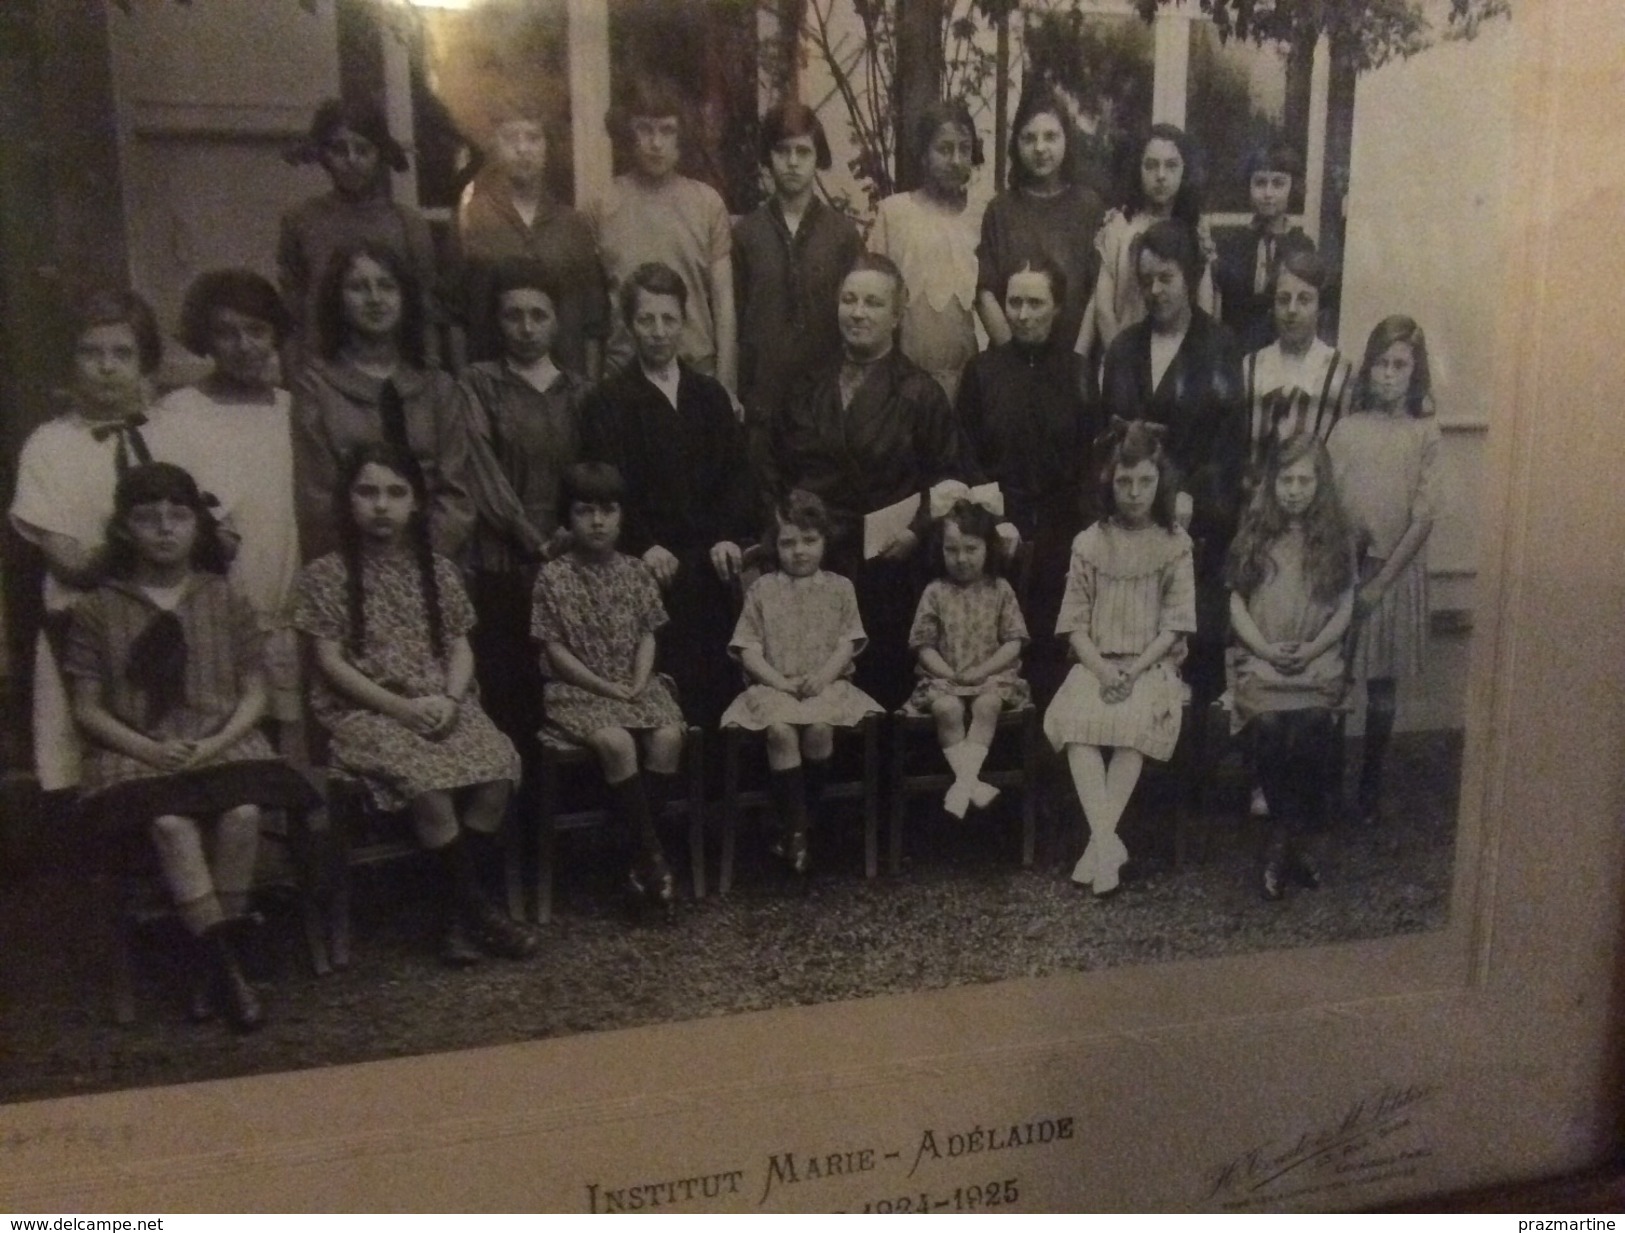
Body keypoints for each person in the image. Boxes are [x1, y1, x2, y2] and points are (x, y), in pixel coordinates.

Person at [65, 463, 318, 1030]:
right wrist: (149, 750)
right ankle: (228, 968)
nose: (164, 529)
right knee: (172, 823)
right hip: (134, 750)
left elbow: (255, 693)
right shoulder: (95, 609)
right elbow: (86, 709)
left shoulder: (225, 598)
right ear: (124, 529)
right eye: (147, 518)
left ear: (198, 528)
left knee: (244, 811)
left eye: (178, 516)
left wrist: (216, 742)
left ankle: (211, 966)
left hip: (222, 740)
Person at [292, 443, 534, 966]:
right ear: (348, 501)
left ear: (416, 504)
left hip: (441, 702)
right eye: (368, 492)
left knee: (498, 766)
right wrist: (399, 709)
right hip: (368, 712)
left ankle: (455, 917)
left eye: (396, 493)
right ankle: (476, 911)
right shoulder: (325, 577)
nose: (382, 505)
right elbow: (330, 663)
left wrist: (449, 697)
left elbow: (460, 646)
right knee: (429, 785)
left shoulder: (439, 572)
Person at [768, 254, 965, 707]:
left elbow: (948, 479)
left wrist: (916, 533)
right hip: (810, 565)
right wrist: (786, 532)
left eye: (873, 303)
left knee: (879, 688)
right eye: (849, 300)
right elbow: (772, 467)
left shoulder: (920, 392)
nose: (858, 313)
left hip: (886, 573)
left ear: (897, 315)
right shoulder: (805, 385)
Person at [578, 262, 755, 727]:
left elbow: (737, 476)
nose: (658, 332)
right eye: (646, 320)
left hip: (707, 563)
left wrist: (728, 536)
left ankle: (715, 791)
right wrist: (644, 543)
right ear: (629, 324)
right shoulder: (607, 403)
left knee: (717, 686)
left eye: (669, 319)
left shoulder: (710, 396)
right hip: (642, 569)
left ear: (684, 321)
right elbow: (606, 490)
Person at [10, 288, 165, 793]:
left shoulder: (172, 434)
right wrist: (139, 544)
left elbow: (209, 537)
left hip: (165, 619)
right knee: (93, 759)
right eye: (90, 353)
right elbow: (69, 563)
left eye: (122, 354)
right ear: (68, 363)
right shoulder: (48, 447)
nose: (106, 367)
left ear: (144, 362)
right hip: (82, 626)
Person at [1100, 219, 1246, 736]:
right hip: (1133, 521)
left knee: (1192, 648)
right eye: (1145, 280)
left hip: (1194, 525)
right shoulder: (1122, 349)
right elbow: (1108, 438)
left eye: (1166, 278)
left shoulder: (1220, 346)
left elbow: (1231, 443)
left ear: (1191, 276)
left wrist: (1190, 495)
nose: (1154, 290)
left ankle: (1193, 773)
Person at [529, 462, 690, 920]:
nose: (597, 521)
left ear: (622, 516)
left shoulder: (637, 572)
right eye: (584, 511)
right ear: (568, 517)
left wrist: (639, 682)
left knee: (668, 735)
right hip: (578, 688)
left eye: (607, 510)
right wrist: (603, 687)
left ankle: (639, 859)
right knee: (617, 741)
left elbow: (647, 635)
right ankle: (654, 861)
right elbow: (554, 650)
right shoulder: (553, 577)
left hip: (633, 684)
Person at [1044, 420, 1195, 898]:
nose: (1134, 493)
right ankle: (1109, 842)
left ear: (1160, 482)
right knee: (1077, 725)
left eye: (1145, 482)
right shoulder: (1090, 542)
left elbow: (1175, 624)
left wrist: (1133, 669)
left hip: (1151, 664)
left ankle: (1099, 845)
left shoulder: (1174, 544)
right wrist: (1105, 669)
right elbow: (1073, 624)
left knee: (1134, 726)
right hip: (1096, 662)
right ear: (1109, 481)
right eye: (1125, 481)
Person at [146, 270, 302, 726]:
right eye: (226, 333)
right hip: (215, 603)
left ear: (275, 334)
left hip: (287, 599)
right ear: (205, 339)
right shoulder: (179, 414)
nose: (244, 345)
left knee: (289, 735)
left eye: (256, 330)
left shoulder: (291, 410)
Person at [956, 256, 1099, 701]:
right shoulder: (982, 372)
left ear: (1057, 308)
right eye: (1014, 302)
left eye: (1036, 303)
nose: (1023, 314)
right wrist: (995, 520)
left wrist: (1071, 532)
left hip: (1064, 533)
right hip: (998, 532)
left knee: (1055, 649)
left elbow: (1090, 461)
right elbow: (965, 455)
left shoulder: (1078, 372)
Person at [457, 260, 587, 747]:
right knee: (510, 694)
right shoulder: (478, 384)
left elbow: (590, 470)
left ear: (556, 321)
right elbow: (479, 466)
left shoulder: (579, 391)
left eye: (539, 314)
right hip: (502, 564)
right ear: (497, 321)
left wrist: (570, 532)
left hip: (570, 564)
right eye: (514, 315)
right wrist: (529, 536)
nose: (527, 327)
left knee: (568, 692)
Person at [719, 490, 881, 873]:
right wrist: (779, 681)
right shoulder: (762, 589)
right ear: (775, 546)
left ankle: (799, 823)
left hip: (825, 686)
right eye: (788, 543)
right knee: (780, 731)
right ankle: (796, 832)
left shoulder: (840, 588)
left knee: (820, 730)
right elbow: (748, 649)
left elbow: (848, 642)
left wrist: (824, 675)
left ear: (825, 541)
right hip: (775, 686)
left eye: (810, 541)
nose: (800, 551)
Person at [1225, 434, 1356, 899]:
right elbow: (1237, 602)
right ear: (1272, 482)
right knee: (1273, 728)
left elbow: (1345, 605)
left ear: (1320, 484)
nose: (1295, 489)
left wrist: (1314, 648)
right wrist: (1261, 648)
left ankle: (1284, 842)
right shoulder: (1256, 532)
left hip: (1315, 659)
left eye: (1305, 480)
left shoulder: (1336, 537)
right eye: (1286, 479)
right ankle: (1290, 842)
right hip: (1263, 660)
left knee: (1312, 726)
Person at [291, 242, 475, 564]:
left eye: (387, 286)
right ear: (338, 299)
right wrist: (368, 569)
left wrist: (422, 564)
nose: (375, 299)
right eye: (359, 288)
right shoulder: (316, 388)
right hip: (350, 570)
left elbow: (457, 493)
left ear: (405, 298)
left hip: (435, 566)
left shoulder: (438, 387)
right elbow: (317, 502)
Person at [1327, 315, 1441, 826]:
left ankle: (1370, 784)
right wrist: (1348, 564)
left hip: (1395, 571)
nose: (1389, 374)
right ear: (1368, 367)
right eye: (1381, 363)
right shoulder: (1347, 430)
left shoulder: (1424, 433)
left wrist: (1381, 582)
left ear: (1415, 374)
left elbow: (1423, 518)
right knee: (1335, 675)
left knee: (1382, 686)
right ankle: (1324, 783)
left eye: (1401, 365)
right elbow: (1329, 501)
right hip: (1346, 568)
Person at [732, 102, 864, 492]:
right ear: (767, 159)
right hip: (764, 401)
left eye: (803, 152)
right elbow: (735, 319)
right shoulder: (747, 234)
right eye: (782, 151)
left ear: (817, 158)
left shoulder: (842, 234)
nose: (792, 162)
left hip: (824, 403)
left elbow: (857, 318)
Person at [588, 76, 736, 392]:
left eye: (667, 130)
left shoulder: (706, 204)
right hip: (624, 378)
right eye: (645, 129)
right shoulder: (601, 207)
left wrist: (726, 388)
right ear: (629, 132)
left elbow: (724, 307)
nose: (656, 143)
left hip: (695, 375)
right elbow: (592, 312)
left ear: (681, 135)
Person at [278, 97, 444, 370]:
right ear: (323, 155)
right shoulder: (302, 220)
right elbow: (292, 309)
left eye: (363, 150)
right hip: (323, 368)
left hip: (391, 366)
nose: (351, 160)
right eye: (339, 150)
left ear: (380, 154)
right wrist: (296, 374)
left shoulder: (406, 223)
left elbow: (425, 309)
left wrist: (430, 368)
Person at [452, 97, 607, 378]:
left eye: (533, 138)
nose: (523, 149)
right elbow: (453, 315)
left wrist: (590, 390)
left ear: (547, 147)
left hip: (562, 389)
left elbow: (592, 324)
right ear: (495, 146)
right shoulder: (472, 219)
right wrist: (465, 387)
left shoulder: (573, 226)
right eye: (511, 138)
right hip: (493, 389)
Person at [904, 497, 1030, 819]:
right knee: (947, 708)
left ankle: (962, 786)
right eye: (952, 550)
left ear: (988, 548)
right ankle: (970, 784)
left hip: (992, 677)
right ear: (940, 550)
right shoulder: (935, 592)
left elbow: (1014, 642)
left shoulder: (1000, 589)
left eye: (971, 549)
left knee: (988, 705)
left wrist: (982, 671)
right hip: (944, 678)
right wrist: (947, 672)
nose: (961, 559)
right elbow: (923, 645)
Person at [974, 87, 1105, 355]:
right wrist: (1012, 358)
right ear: (1016, 144)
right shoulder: (1001, 210)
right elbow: (984, 292)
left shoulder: (1088, 207)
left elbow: (1097, 292)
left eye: (1051, 137)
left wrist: (1076, 361)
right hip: (1012, 360)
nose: (1040, 148)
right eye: (1029, 138)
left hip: (1072, 358)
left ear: (1067, 140)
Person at [868, 99, 983, 402]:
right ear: (923, 154)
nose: (955, 159)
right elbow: (873, 297)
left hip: (969, 384)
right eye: (944, 149)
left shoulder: (983, 217)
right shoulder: (894, 215)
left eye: (964, 149)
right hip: (905, 384)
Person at [1079, 123, 1216, 358]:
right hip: (1122, 357)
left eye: (1171, 166)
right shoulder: (1120, 226)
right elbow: (1103, 308)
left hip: (1178, 365)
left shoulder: (1194, 229)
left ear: (1185, 171)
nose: (1161, 176)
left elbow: (1204, 307)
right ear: (1138, 170)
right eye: (1151, 166)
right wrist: (1121, 366)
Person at [1239, 247, 1353, 493]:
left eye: (1304, 299)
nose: (1292, 310)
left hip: (1316, 519)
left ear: (1321, 308)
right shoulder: (1251, 367)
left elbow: (1346, 461)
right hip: (1256, 513)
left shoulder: (1341, 373)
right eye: (1283, 299)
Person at [1213, 139, 1316, 354]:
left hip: (1284, 355)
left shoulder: (1302, 246)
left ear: (1292, 187)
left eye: (1278, 184)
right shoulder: (1232, 245)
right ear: (1248, 186)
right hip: (1237, 353)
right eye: (1260, 183)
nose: (1268, 193)